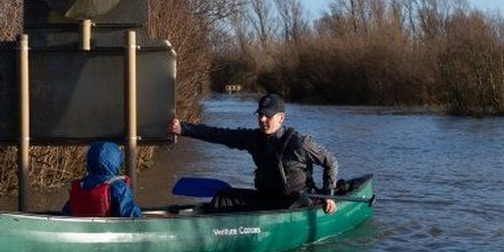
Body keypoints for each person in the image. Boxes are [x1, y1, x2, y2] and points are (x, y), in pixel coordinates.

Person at [169, 93, 339, 214]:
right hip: (267, 198)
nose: (262, 119)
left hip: (295, 201)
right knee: (223, 197)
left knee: (291, 206)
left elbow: (331, 162)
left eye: (268, 116)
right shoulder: (253, 138)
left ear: (281, 118)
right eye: (260, 115)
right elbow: (218, 134)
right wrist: (183, 129)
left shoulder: (300, 143)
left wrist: (328, 194)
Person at [62, 141, 142, 218]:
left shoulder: (82, 185)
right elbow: (129, 213)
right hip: (110, 226)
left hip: (81, 226)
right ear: (116, 161)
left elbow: (67, 211)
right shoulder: (118, 186)